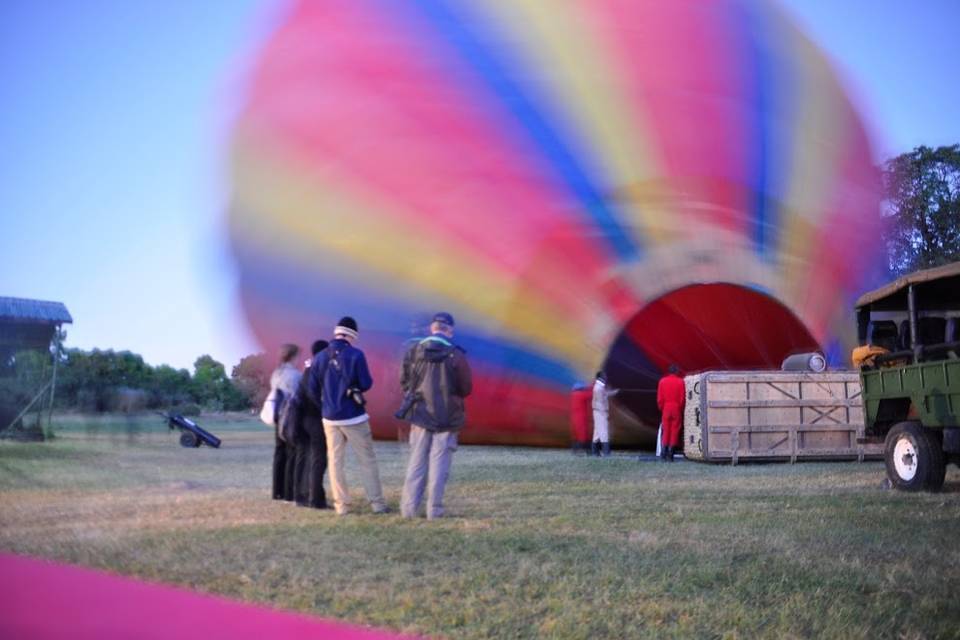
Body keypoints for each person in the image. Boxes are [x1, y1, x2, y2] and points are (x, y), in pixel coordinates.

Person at [308, 317, 389, 515]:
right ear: (352, 335)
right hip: (354, 416)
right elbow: (366, 383)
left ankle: (341, 506)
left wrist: (325, 404)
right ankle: (377, 503)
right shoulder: (356, 355)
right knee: (367, 460)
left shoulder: (319, 357)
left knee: (335, 461)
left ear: (336, 333)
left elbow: (311, 389)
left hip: (329, 418)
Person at [399, 312, 472, 519]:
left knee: (416, 462)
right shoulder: (456, 355)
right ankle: (434, 511)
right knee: (439, 466)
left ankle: (409, 510)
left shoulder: (413, 350)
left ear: (432, 328)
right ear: (449, 330)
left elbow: (404, 381)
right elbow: (466, 388)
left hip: (420, 415)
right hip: (447, 418)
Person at [294, 339, 329, 508]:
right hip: (314, 420)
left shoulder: (307, 369)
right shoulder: (318, 369)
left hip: (301, 420)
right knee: (319, 460)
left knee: (304, 458)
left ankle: (301, 497)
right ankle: (316, 499)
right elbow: (316, 397)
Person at [269, 344, 301, 501]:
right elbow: (298, 395)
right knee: (291, 453)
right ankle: (289, 493)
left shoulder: (276, 373)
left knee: (279, 453)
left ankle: (277, 491)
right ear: (294, 356)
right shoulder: (295, 375)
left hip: (277, 416)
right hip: (290, 417)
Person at [657, 364, 685, 462]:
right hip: (676, 407)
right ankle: (671, 453)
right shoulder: (680, 382)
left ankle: (663, 451)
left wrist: (662, 408)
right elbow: (682, 399)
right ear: (677, 371)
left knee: (666, 430)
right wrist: (680, 408)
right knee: (675, 430)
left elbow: (660, 398)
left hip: (666, 408)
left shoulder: (662, 381)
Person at [591, 371, 618, 457]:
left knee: (597, 433)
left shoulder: (600, 387)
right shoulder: (598, 388)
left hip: (598, 411)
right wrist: (604, 413)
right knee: (603, 432)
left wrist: (614, 392)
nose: (606, 377)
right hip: (600, 412)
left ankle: (595, 452)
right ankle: (606, 452)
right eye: (604, 376)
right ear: (600, 377)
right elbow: (599, 402)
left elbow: (605, 394)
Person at [570, 382, 593, 455]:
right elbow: (591, 395)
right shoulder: (581, 394)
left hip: (574, 417)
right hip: (581, 417)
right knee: (583, 434)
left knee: (576, 434)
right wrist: (593, 385)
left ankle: (575, 450)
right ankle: (588, 450)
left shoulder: (573, 395)